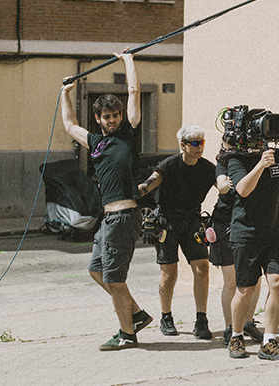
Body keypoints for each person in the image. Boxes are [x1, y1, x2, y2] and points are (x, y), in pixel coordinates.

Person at [60, 52, 153, 351]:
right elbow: (70, 125)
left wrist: (127, 60)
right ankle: (136, 314)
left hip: (124, 217)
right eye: (106, 117)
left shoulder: (129, 134)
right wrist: (65, 93)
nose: (112, 120)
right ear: (98, 119)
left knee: (114, 278)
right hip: (107, 219)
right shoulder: (97, 143)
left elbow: (135, 91)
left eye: (115, 115)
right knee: (96, 271)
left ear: (120, 116)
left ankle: (127, 334)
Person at [137, 125, 219, 339]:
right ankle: (166, 316)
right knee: (169, 272)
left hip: (192, 221)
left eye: (202, 142)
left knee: (202, 267)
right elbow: (151, 182)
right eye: (194, 143)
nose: (199, 147)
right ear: (183, 145)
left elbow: (223, 186)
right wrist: (137, 190)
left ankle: (201, 320)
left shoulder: (208, 168)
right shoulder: (169, 165)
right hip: (167, 222)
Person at [226, 145, 279, 360]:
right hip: (246, 235)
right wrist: (261, 165)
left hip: (275, 233)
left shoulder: (278, 156)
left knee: (278, 283)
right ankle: (236, 335)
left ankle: (269, 341)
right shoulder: (236, 159)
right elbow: (243, 189)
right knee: (246, 290)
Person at [210, 142, 263, 346]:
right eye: (228, 141)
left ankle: (248, 321)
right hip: (225, 223)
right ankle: (230, 327)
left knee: (254, 279)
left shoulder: (252, 160)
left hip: (248, 222)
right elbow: (222, 185)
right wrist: (227, 183)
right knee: (231, 281)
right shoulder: (224, 162)